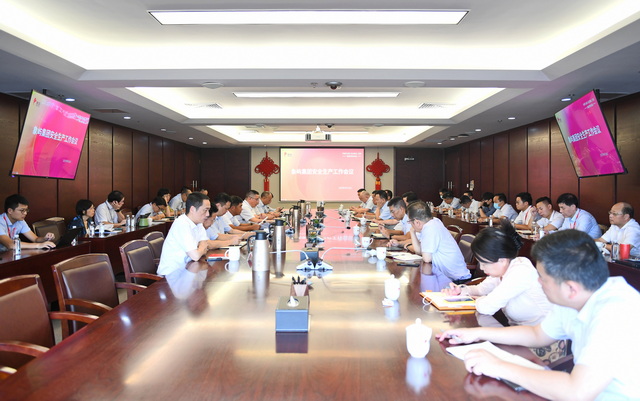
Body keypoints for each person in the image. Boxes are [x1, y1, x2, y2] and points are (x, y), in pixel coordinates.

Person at [438, 230, 640, 400]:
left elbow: (576, 391)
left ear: (570, 288)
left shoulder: (616, 313)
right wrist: (476, 333)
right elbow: (537, 334)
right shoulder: (576, 294)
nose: (538, 282)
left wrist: (499, 366)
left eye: (542, 278)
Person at [443, 220, 551, 326]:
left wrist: (481, 300)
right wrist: (462, 290)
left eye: (484, 263)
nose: (481, 268)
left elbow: (486, 307)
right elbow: (480, 289)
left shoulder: (521, 271)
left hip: (541, 334)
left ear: (502, 260)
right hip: (518, 331)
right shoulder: (503, 269)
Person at [408, 201, 471, 288]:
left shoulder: (430, 228)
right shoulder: (433, 222)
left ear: (417, 222)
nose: (411, 225)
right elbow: (419, 251)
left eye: (410, 222)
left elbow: (427, 259)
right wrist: (412, 232)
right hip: (446, 277)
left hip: (456, 281)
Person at [157, 192, 211, 279]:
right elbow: (196, 256)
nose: (208, 214)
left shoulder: (199, 223)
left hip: (186, 270)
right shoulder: (182, 224)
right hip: (170, 276)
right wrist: (201, 249)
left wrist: (199, 250)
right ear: (192, 209)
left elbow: (205, 244)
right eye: (205, 210)